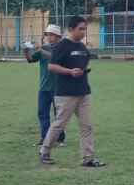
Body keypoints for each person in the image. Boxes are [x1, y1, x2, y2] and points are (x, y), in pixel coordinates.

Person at [39, 16, 103, 167]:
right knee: (59, 124)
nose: (83, 32)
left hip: (83, 92)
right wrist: (70, 71)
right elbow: (52, 66)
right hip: (66, 93)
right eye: (80, 29)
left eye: (85, 29)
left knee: (87, 126)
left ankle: (88, 158)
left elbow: (84, 61)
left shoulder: (82, 47)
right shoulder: (62, 46)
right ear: (70, 29)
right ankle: (45, 151)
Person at [23, 24, 65, 147]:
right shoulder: (44, 48)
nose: (49, 37)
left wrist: (40, 49)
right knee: (42, 114)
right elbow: (30, 59)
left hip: (59, 88)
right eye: (47, 35)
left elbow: (55, 58)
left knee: (59, 115)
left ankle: (60, 139)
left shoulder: (62, 49)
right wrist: (26, 51)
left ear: (58, 36)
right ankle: (45, 137)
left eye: (51, 35)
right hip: (43, 88)